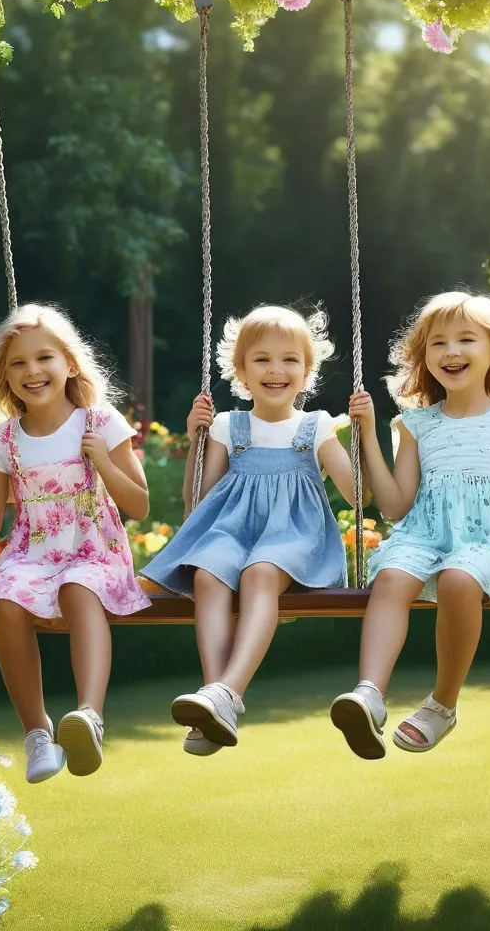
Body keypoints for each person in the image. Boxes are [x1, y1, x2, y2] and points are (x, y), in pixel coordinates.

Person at [330, 291, 490, 759]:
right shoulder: (416, 425)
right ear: (424, 357)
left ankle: (442, 705)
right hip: (427, 533)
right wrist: (369, 434)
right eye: (438, 343)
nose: (451, 352)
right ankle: (369, 693)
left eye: (465, 340)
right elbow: (396, 506)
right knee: (392, 577)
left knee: (459, 578)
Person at [143, 305, 362, 755]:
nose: (276, 370)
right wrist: (195, 440)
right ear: (240, 372)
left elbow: (357, 496)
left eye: (289, 360)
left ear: (307, 371)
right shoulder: (227, 424)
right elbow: (197, 503)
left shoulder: (316, 424)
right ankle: (213, 700)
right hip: (231, 529)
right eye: (261, 359)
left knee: (260, 573)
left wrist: (361, 432)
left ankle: (226, 695)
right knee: (207, 571)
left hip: (293, 536)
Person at [0, 303, 150, 783]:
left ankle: (88, 715)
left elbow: (140, 505)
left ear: (69, 363)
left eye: (44, 358)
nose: (32, 371)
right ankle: (37, 733)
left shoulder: (99, 422)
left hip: (93, 547)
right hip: (33, 551)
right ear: (4, 374)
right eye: (17, 363)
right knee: (3, 599)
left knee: (77, 589)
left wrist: (103, 462)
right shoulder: (3, 439)